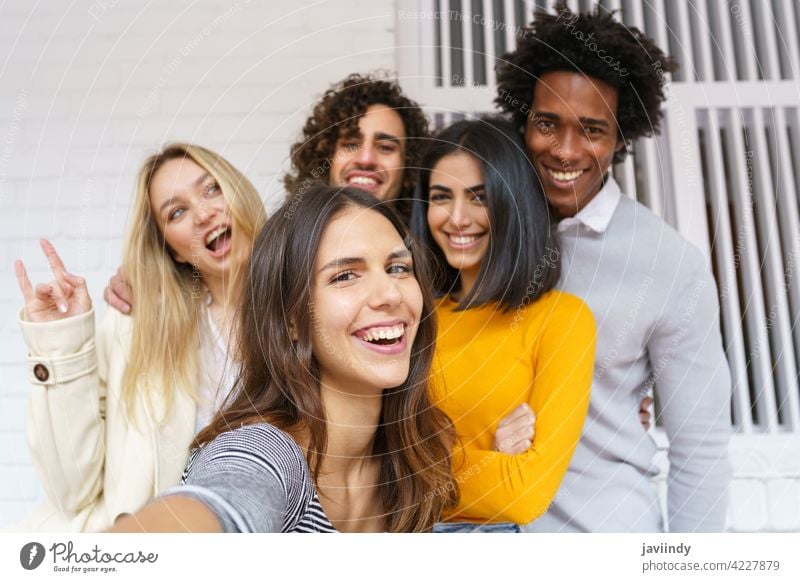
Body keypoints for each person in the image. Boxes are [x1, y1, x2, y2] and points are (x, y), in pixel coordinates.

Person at [496, 4, 732, 532]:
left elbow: (702, 448)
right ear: (523, 121)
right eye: (547, 123)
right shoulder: (473, 231)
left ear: (622, 138)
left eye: (592, 130)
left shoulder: (670, 266)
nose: (566, 150)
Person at [109, 185, 458, 532]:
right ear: (291, 321)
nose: (389, 294)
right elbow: (222, 500)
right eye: (345, 275)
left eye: (398, 268)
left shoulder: (425, 450)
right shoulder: (266, 451)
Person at [13, 144, 266, 532]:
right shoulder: (135, 329)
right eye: (177, 212)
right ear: (173, 251)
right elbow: (71, 491)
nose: (202, 214)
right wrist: (61, 339)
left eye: (212, 188)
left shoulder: (316, 312)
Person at [105, 73, 430, 315]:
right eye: (349, 144)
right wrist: (141, 281)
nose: (366, 157)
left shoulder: (434, 254)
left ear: (409, 164)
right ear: (325, 157)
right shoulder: (284, 251)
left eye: (386, 147)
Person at [411, 117, 596, 531]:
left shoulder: (562, 320)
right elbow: (364, 466)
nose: (457, 217)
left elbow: (526, 494)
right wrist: (488, 459)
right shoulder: (412, 316)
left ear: (514, 203)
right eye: (441, 197)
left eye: (479, 198)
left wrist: (418, 459)